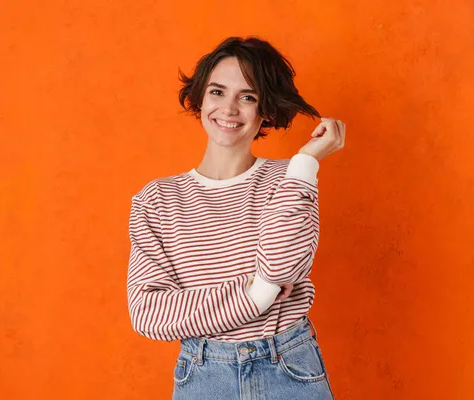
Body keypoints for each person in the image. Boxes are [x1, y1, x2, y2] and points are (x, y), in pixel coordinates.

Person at [126, 36, 345, 399]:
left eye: (248, 97)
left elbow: (280, 270)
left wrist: (308, 160)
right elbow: (149, 313)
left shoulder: (289, 179)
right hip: (203, 375)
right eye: (217, 91)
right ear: (199, 98)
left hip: (288, 367)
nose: (229, 109)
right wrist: (259, 294)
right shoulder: (157, 199)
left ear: (265, 111)